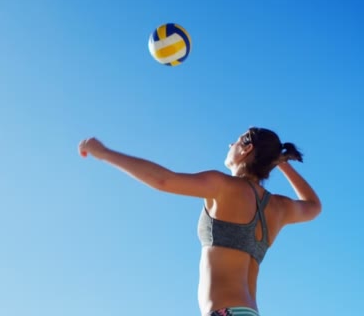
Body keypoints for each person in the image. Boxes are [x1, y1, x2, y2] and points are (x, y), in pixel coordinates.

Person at [78, 127, 322, 316]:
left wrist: (105, 153)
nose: (230, 144)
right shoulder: (278, 207)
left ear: (246, 149)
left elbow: (164, 180)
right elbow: (313, 206)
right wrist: (281, 164)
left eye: (236, 141)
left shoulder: (223, 186)